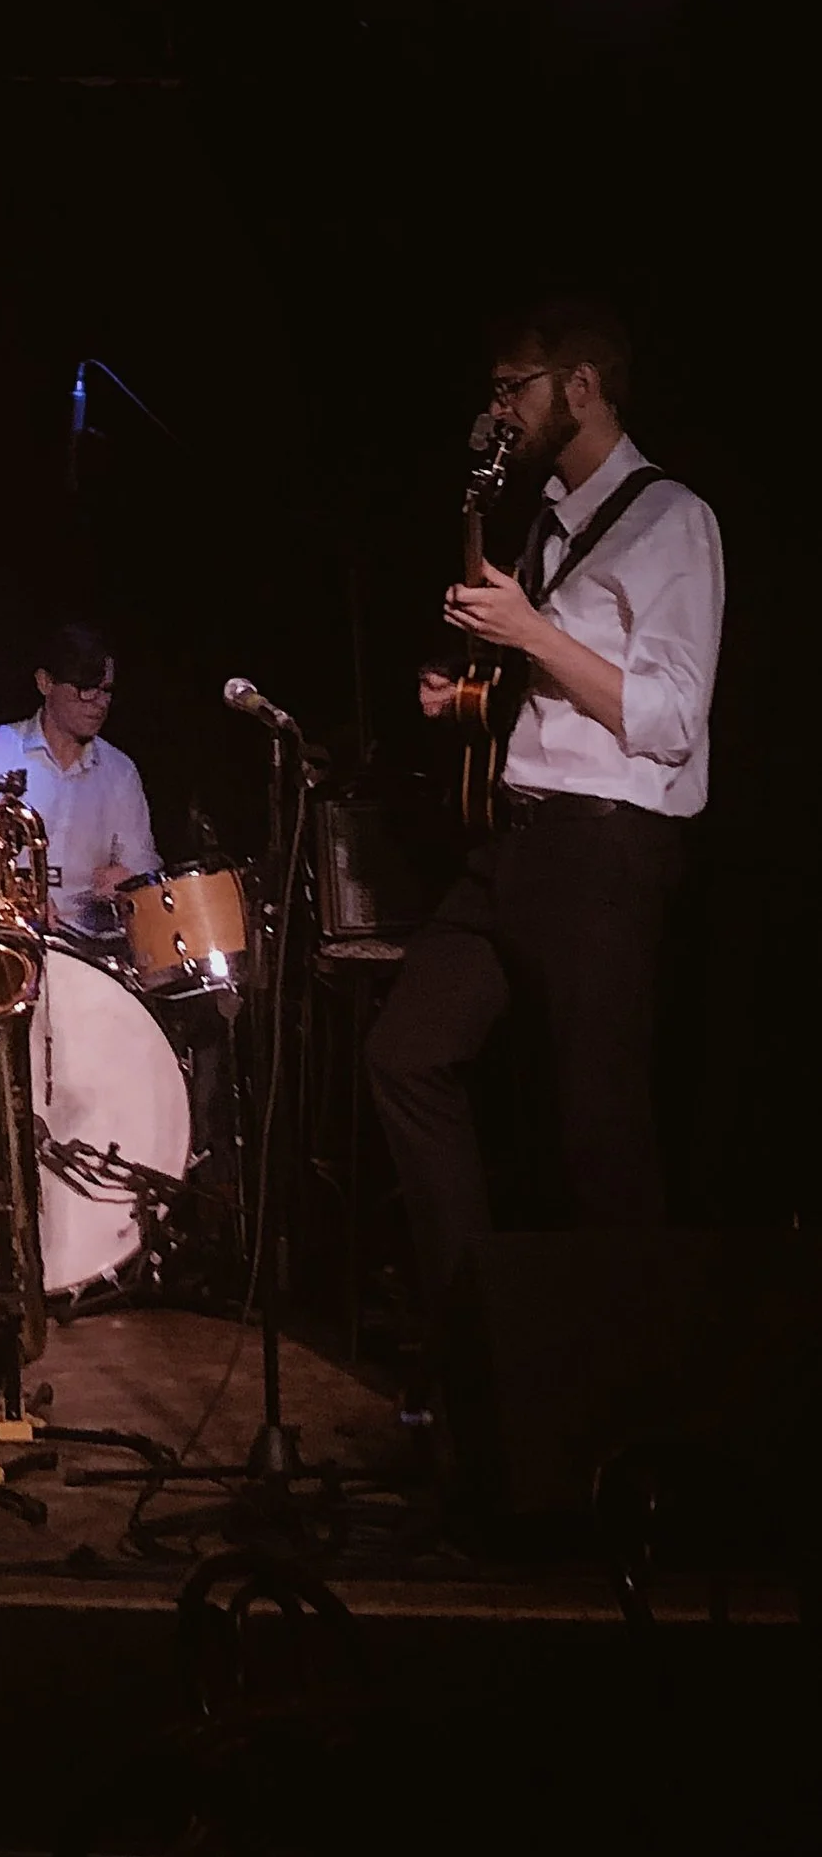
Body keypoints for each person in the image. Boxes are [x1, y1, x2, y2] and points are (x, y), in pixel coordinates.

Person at [367, 299, 722, 1324]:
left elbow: (669, 720)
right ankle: (480, 1338)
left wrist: (528, 631)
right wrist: (465, 692)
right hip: (515, 843)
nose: (499, 410)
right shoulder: (551, 523)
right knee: (404, 1055)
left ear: (580, 386)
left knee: (597, 1132)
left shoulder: (670, 520)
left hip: (604, 850)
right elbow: (543, 686)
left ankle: (632, 1377)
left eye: (512, 387)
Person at [0, 621, 158, 941]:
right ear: (45, 683)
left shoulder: (120, 771)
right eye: (86, 688)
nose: (100, 702)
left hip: (85, 947)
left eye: (107, 691)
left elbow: (144, 864)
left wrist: (130, 877)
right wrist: (12, 885)